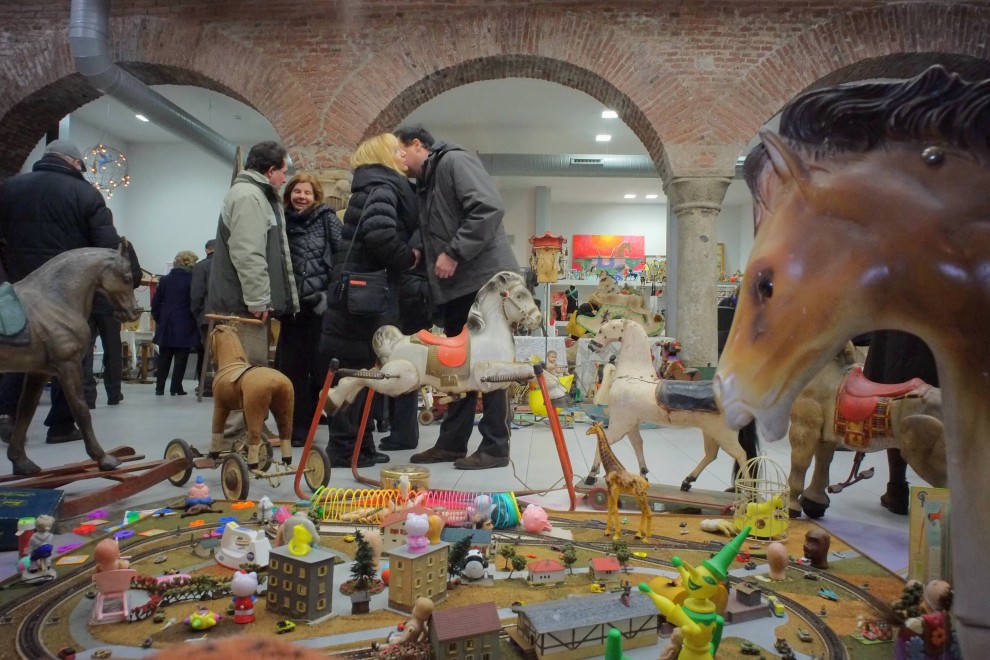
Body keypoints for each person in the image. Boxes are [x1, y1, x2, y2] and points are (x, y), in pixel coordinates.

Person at [396, 126, 518, 470]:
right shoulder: (427, 181)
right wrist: (420, 249)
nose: (396, 159)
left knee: (489, 366)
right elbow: (439, 225)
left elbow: (488, 208)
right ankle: (451, 443)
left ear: (417, 145)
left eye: (398, 151)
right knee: (458, 367)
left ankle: (495, 447)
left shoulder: (454, 162)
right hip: (459, 287)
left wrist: (454, 252)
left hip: (483, 284)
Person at [0, 139, 122, 444]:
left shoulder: (10, 188)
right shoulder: (86, 194)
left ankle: (7, 415)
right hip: (65, 293)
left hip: (18, 285)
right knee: (70, 355)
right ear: (75, 162)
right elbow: (107, 248)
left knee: (16, 347)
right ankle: (61, 425)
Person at [321, 133, 419, 468]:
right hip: (365, 299)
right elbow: (380, 235)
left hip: (358, 296)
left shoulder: (372, 186)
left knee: (361, 372)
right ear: (384, 155)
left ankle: (359, 446)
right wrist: (409, 258)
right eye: (397, 150)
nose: (403, 155)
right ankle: (344, 448)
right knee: (354, 372)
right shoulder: (383, 187)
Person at [207, 141, 298, 365]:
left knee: (247, 373)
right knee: (247, 375)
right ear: (271, 171)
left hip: (245, 304)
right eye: (283, 172)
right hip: (244, 308)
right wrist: (258, 299)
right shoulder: (249, 196)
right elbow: (248, 252)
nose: (284, 179)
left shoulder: (253, 194)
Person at [275, 173, 341, 447]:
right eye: (297, 191)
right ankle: (297, 429)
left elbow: (342, 256)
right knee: (292, 371)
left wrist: (330, 295)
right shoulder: (281, 221)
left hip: (319, 307)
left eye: (307, 192)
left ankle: (335, 429)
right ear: (289, 194)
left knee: (324, 369)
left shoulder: (327, 219)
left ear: (316, 197)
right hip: (291, 307)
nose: (301, 197)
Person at [862, 330, 939, 514]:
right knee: (943, 405)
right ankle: (943, 496)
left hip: (899, 332)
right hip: (941, 331)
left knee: (894, 397)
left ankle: (897, 489)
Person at [83, 235, 141, 408]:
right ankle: (114, 393)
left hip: (85, 304)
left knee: (84, 351)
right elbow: (136, 274)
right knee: (113, 349)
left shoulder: (84, 242)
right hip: (111, 305)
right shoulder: (123, 245)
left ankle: (87, 395)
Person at [152, 251, 201, 396]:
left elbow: (155, 304)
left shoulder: (165, 280)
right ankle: (176, 387)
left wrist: (160, 319)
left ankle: (159, 388)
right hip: (185, 321)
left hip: (166, 322)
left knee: (164, 356)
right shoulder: (193, 280)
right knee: (181, 358)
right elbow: (195, 301)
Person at [189, 238, 215, 388]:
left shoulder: (201, 266)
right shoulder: (229, 264)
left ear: (207, 249)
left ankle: (207, 385)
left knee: (208, 352)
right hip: (228, 315)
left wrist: (195, 311)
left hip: (207, 315)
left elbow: (197, 293)